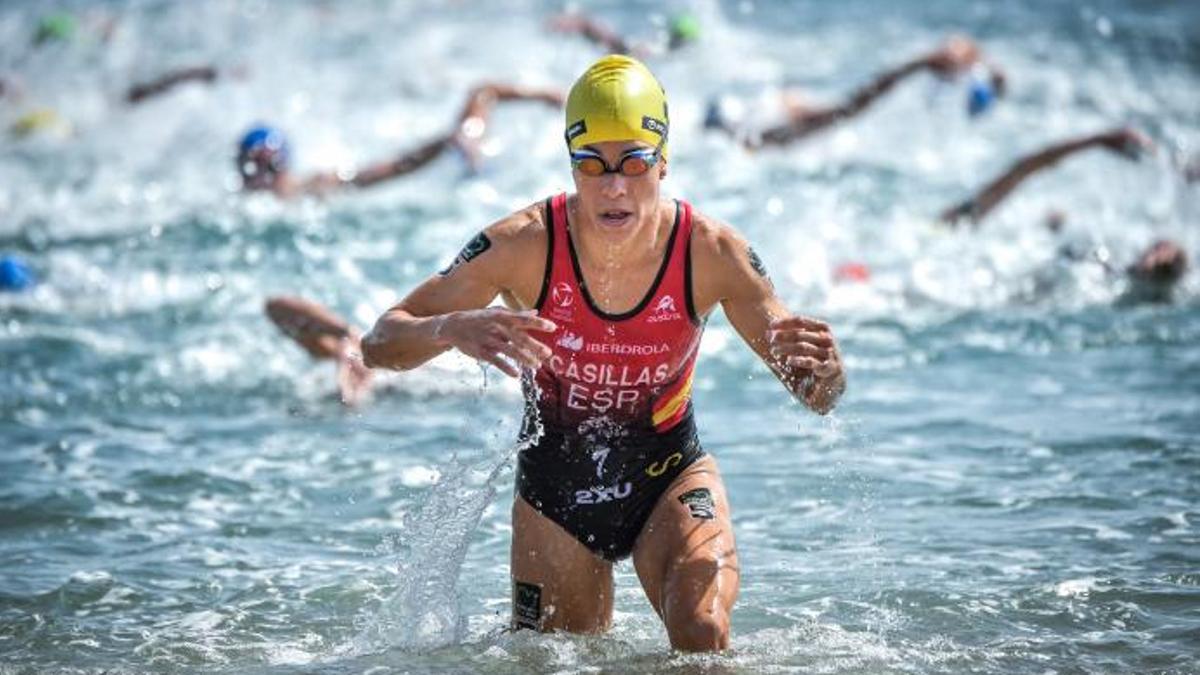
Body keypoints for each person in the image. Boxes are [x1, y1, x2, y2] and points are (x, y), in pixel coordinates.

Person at [360, 55, 845, 651]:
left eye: (634, 163)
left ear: (663, 162)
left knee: (704, 632)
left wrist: (826, 375)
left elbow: (816, 395)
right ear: (573, 167)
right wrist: (451, 328)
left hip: (666, 476)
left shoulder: (711, 252)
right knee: (550, 661)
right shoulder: (524, 244)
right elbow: (380, 342)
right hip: (554, 495)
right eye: (592, 166)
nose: (614, 186)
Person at [940, 127, 1188, 301]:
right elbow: (1021, 171)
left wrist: (1097, 141)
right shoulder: (946, 233)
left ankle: (1163, 268)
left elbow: (1021, 171)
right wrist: (1096, 141)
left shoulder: (946, 232)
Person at [237, 82, 564, 198]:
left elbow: (394, 169)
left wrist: (447, 143)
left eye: (271, 166)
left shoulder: (316, 187)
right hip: (460, 173)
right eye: (253, 167)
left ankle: (547, 94)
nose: (263, 178)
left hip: (464, 160)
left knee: (480, 95)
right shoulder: (245, 208)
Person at [705, 35, 1006, 149]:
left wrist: (917, 65)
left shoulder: (770, 129)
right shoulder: (772, 133)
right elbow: (852, 106)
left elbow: (852, 106)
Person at [264, 296, 374, 406]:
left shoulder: (348, 347)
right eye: (288, 329)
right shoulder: (329, 358)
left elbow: (347, 348)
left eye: (303, 326)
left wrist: (343, 384)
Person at [547, 11, 701, 58]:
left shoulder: (662, 45)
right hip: (629, 49)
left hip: (629, 49)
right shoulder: (662, 46)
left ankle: (574, 22)